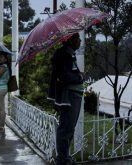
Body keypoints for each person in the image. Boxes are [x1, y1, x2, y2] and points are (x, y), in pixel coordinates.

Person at [48, 33, 84, 165]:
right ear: (71, 40)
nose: (80, 41)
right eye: (77, 39)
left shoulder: (68, 54)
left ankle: (65, 157)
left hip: (73, 95)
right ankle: (62, 159)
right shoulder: (64, 55)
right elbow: (64, 76)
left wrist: (78, 75)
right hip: (68, 96)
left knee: (69, 128)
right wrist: (80, 77)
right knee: (66, 128)